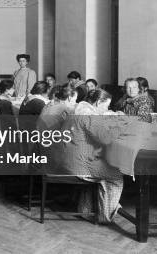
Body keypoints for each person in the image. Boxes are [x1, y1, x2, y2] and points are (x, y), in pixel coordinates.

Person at [48, 89, 123, 223]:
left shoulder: (78, 109)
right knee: (115, 175)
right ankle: (104, 216)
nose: (106, 109)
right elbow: (105, 138)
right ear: (98, 102)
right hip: (77, 165)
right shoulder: (88, 115)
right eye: (106, 105)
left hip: (64, 159)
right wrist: (119, 127)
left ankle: (86, 210)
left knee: (100, 170)